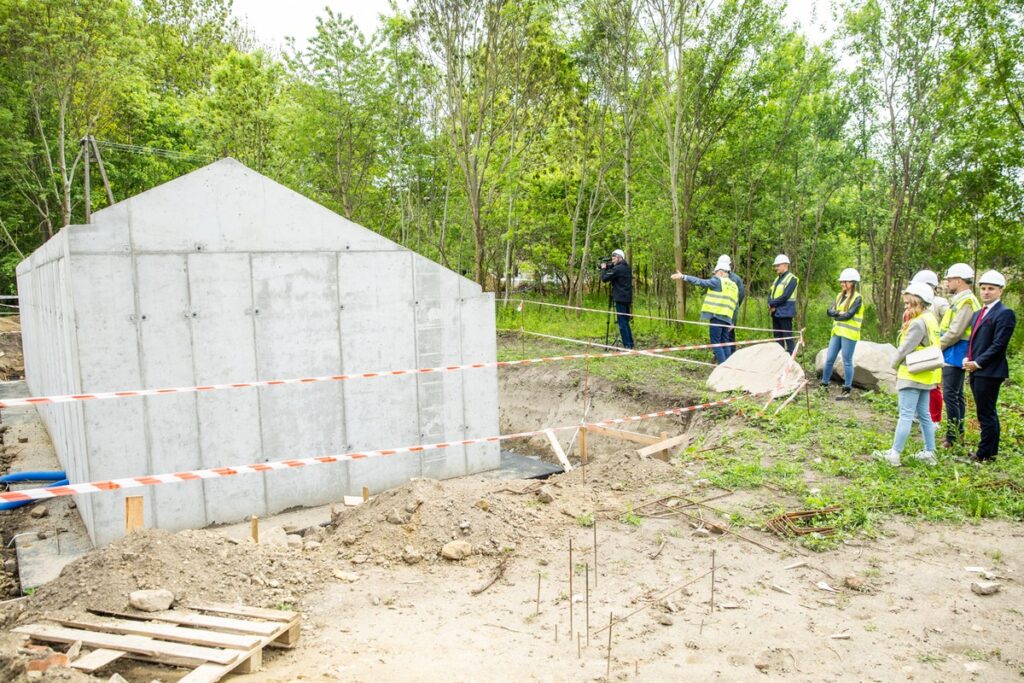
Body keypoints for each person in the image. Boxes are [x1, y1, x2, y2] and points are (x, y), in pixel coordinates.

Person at [873, 282, 942, 467]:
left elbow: (904, 349)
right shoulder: (931, 318)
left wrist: (892, 365)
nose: (905, 306)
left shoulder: (918, 323)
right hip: (926, 374)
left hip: (912, 374)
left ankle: (894, 454)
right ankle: (929, 452)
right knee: (924, 415)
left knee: (905, 414)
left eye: (907, 303)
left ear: (917, 301)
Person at [964, 270, 1017, 462]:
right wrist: (967, 357)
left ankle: (983, 454)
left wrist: (978, 362)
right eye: (983, 288)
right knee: (984, 411)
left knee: (986, 413)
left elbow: (999, 344)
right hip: (976, 369)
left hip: (990, 371)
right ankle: (989, 452)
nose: (986, 292)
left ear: (1000, 291)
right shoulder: (978, 313)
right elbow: (974, 340)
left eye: (991, 289)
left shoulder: (1005, 314)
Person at [938, 263, 980, 448]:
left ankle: (953, 437)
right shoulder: (961, 299)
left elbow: (955, 332)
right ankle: (958, 433)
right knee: (956, 394)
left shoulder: (967, 302)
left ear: (959, 280)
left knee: (950, 395)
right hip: (955, 349)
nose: (947, 282)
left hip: (956, 350)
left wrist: (938, 347)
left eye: (949, 279)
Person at [671, 256, 738, 364]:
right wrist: (732, 321)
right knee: (724, 342)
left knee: (716, 342)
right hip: (727, 318)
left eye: (715, 273)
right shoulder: (733, 285)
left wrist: (683, 276)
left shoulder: (717, 281)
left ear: (720, 272)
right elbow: (736, 304)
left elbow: (700, 282)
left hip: (716, 317)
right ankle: (728, 366)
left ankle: (723, 368)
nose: (714, 276)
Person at [911, 270, 949, 427]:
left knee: (934, 386)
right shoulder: (915, 301)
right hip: (918, 349)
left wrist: (941, 340)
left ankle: (935, 419)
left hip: (933, 350)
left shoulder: (940, 303)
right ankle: (918, 413)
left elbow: (950, 323)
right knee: (917, 383)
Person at [820, 268, 864, 400]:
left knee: (847, 361)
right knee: (829, 359)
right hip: (837, 332)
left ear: (852, 282)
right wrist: (838, 314)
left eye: (844, 281)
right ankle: (824, 384)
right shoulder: (840, 296)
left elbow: (849, 315)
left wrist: (837, 314)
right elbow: (829, 311)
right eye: (842, 281)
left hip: (849, 334)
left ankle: (847, 388)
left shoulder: (857, 298)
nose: (842, 284)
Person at [600, 248, 634, 349]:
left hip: (620, 298)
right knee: (625, 321)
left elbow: (605, 278)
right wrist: (609, 267)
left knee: (622, 322)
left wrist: (603, 269)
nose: (612, 260)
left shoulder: (618, 269)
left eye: (614, 258)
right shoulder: (627, 267)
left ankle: (627, 346)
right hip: (627, 298)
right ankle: (630, 343)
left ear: (619, 258)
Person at [768, 254, 798, 354]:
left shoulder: (792, 279)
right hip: (775, 312)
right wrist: (770, 303)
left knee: (788, 337)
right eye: (775, 266)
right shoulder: (777, 279)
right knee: (777, 337)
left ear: (785, 265)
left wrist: (772, 303)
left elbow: (785, 296)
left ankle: (791, 360)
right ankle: (780, 357)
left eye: (778, 265)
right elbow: (771, 293)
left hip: (785, 312)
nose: (776, 268)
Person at [720, 256, 746, 357]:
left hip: (730, 311)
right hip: (720, 310)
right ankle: (721, 354)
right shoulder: (719, 277)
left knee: (730, 333)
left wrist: (733, 307)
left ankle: (731, 355)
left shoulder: (735, 279)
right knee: (720, 333)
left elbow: (740, 295)